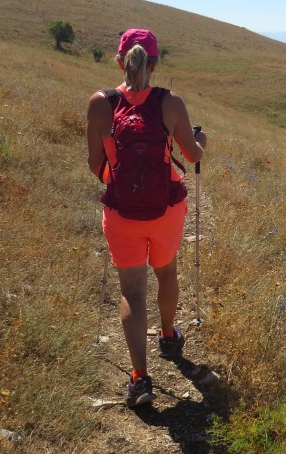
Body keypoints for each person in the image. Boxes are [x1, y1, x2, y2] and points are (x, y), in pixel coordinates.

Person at [86, 28, 206, 407]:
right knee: (166, 273)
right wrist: (202, 142)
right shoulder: (170, 102)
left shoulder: (100, 103)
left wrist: (123, 183)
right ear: (155, 63)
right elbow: (192, 155)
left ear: (120, 61)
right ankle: (168, 337)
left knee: (132, 292)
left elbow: (96, 165)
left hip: (122, 213)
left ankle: (140, 379)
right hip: (166, 210)